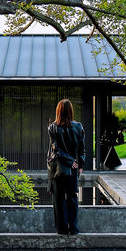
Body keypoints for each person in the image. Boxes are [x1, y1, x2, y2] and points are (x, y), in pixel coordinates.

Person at [47, 99, 86, 236]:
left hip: (58, 169)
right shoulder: (79, 126)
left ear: (58, 111)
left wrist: (69, 161)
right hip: (73, 168)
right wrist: (79, 164)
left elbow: (56, 149)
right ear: (71, 111)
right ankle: (73, 230)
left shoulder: (53, 127)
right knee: (72, 198)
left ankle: (62, 230)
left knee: (59, 200)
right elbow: (82, 149)